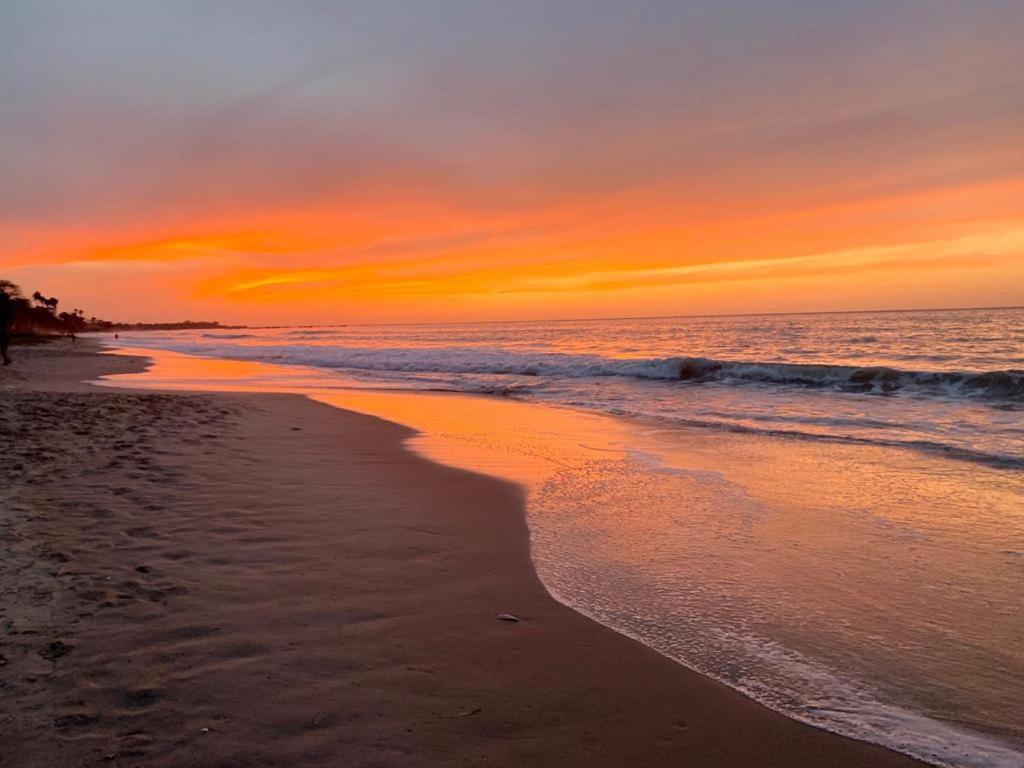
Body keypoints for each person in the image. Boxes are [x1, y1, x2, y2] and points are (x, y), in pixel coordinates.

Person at [0, 290, 12, 366]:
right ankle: (7, 360)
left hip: (3, 334)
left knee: (3, 350)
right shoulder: (5, 309)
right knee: (3, 350)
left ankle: (8, 360)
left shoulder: (3, 309)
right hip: (5, 334)